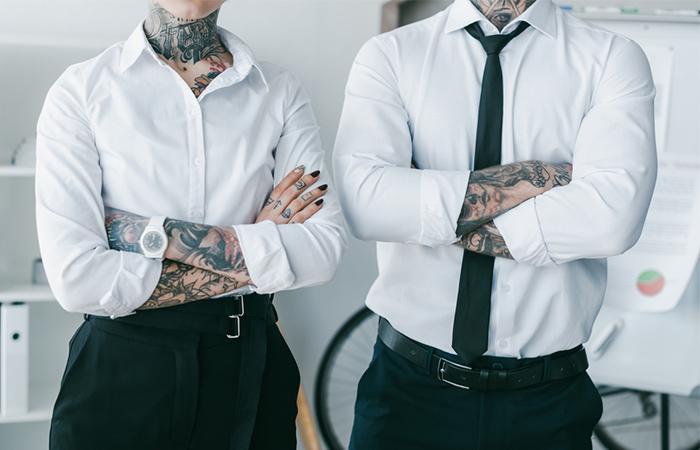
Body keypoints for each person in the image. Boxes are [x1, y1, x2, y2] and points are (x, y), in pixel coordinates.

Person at [334, 0, 657, 448]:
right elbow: (367, 205)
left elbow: (611, 220)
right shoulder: (391, 55)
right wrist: (537, 178)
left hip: (547, 402)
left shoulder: (610, 57)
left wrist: (430, 217)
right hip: (408, 393)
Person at [35, 1, 346, 449]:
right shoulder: (82, 89)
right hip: (122, 366)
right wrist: (263, 242)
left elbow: (322, 251)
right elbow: (78, 279)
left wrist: (150, 234)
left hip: (249, 367)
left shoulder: (278, 90)